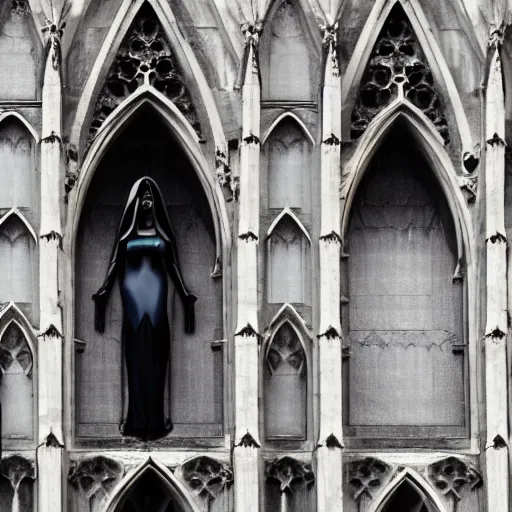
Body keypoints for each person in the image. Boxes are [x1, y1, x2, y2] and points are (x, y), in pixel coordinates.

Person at [92, 176, 196, 439]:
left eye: (151, 197)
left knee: (157, 357)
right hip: (134, 299)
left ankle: (156, 423)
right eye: (143, 197)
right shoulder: (127, 236)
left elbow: (172, 265)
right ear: (136, 203)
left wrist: (185, 295)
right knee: (137, 358)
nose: (147, 201)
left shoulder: (162, 235)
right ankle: (136, 422)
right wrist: (104, 291)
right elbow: (115, 264)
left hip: (157, 297)